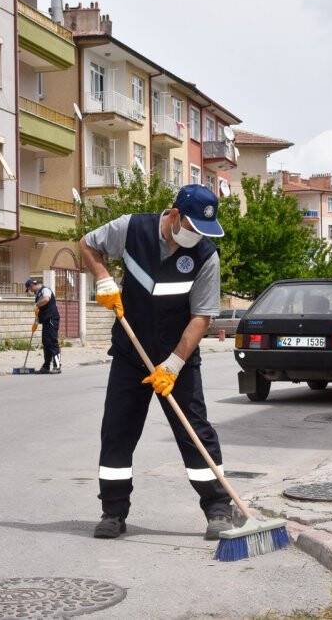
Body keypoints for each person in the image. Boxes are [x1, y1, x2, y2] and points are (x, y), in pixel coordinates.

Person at [79, 184, 232, 540]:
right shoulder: (131, 228)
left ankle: (218, 508)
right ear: (175, 215)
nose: (196, 237)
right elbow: (88, 243)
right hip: (131, 354)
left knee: (194, 432)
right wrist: (103, 279)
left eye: (202, 232)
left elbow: (201, 317)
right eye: (192, 228)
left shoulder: (206, 256)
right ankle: (113, 512)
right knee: (117, 431)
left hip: (177, 357)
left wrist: (174, 365)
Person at [25, 277, 61, 374]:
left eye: (29, 289)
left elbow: (46, 299)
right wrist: (36, 323)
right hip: (45, 321)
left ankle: (57, 366)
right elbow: (39, 311)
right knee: (46, 343)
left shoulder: (45, 290)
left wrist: (37, 304)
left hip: (52, 319)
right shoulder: (38, 294)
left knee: (52, 342)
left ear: (32, 285)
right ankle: (46, 366)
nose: (30, 291)